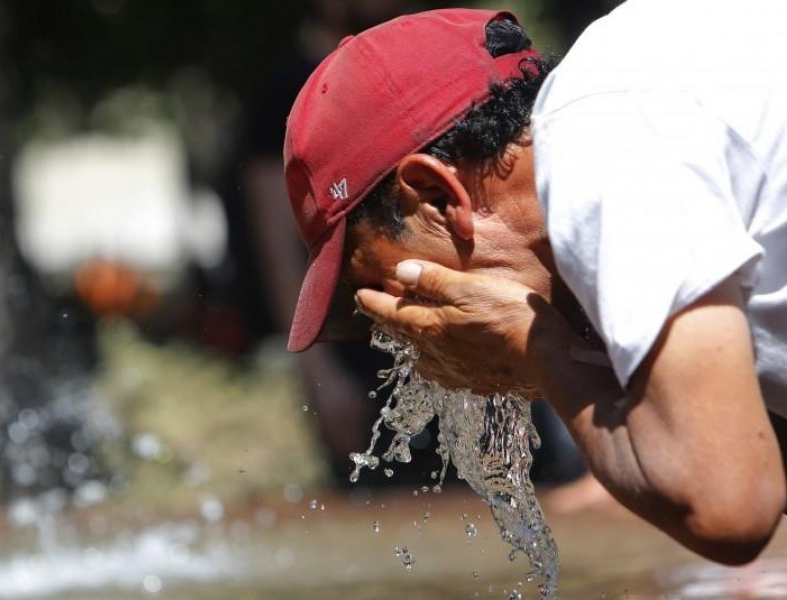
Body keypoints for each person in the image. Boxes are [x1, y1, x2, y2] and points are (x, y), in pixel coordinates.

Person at [282, 4, 787, 565]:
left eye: (389, 287)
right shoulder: (641, 97)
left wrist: (542, 350)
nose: (405, 334)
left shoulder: (602, 144)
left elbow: (730, 510)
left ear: (437, 199)